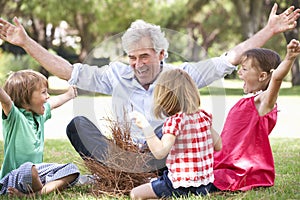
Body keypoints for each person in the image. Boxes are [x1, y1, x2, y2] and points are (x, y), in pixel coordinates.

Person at [0, 3, 299, 172]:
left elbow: (230, 58)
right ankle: (123, 172)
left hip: (164, 152)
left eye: (144, 56)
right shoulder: (115, 74)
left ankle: (150, 173)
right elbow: (67, 71)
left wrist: (269, 30)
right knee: (77, 125)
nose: (137, 63)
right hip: (126, 153)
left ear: (161, 54)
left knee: (164, 129)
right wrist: (27, 42)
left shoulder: (183, 75)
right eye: (132, 57)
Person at [212, 39, 300, 191]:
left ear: (262, 76)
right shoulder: (247, 101)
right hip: (224, 162)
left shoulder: (263, 102)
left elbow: (277, 78)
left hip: (240, 171)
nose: (239, 72)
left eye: (244, 69)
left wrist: (290, 57)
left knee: (196, 182)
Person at [129, 69, 222, 199]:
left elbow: (160, 152)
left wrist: (146, 127)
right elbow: (218, 145)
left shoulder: (175, 121)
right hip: (204, 185)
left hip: (178, 185)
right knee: (153, 182)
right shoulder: (204, 117)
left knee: (135, 194)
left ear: (165, 97)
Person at [0, 70, 80, 196]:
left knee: (72, 169)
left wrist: (70, 94)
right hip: (13, 178)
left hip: (37, 174)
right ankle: (43, 189)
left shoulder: (39, 116)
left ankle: (35, 194)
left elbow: (54, 103)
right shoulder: (15, 117)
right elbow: (6, 101)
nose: (48, 96)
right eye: (44, 92)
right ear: (25, 98)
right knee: (29, 169)